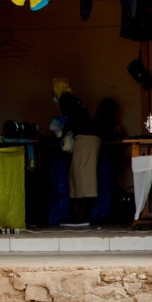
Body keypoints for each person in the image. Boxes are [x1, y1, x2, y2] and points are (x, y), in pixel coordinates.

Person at [58, 92, 99, 227]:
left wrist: (59, 135)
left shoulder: (69, 106)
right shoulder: (80, 107)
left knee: (81, 178)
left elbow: (69, 124)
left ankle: (81, 217)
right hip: (91, 140)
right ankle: (80, 215)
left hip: (84, 140)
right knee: (79, 176)